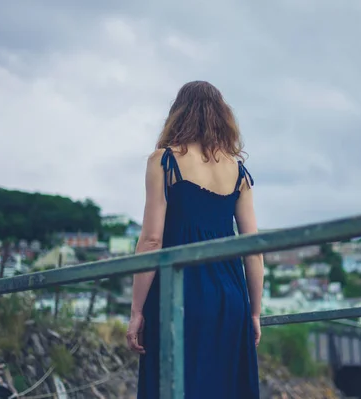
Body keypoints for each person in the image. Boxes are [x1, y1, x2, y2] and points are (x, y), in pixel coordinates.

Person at [126, 81, 264, 398]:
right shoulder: (238, 171)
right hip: (231, 299)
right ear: (222, 117)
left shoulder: (163, 161)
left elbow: (151, 241)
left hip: (178, 295)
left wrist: (136, 312)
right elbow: (254, 252)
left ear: (178, 115)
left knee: (174, 386)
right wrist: (254, 312)